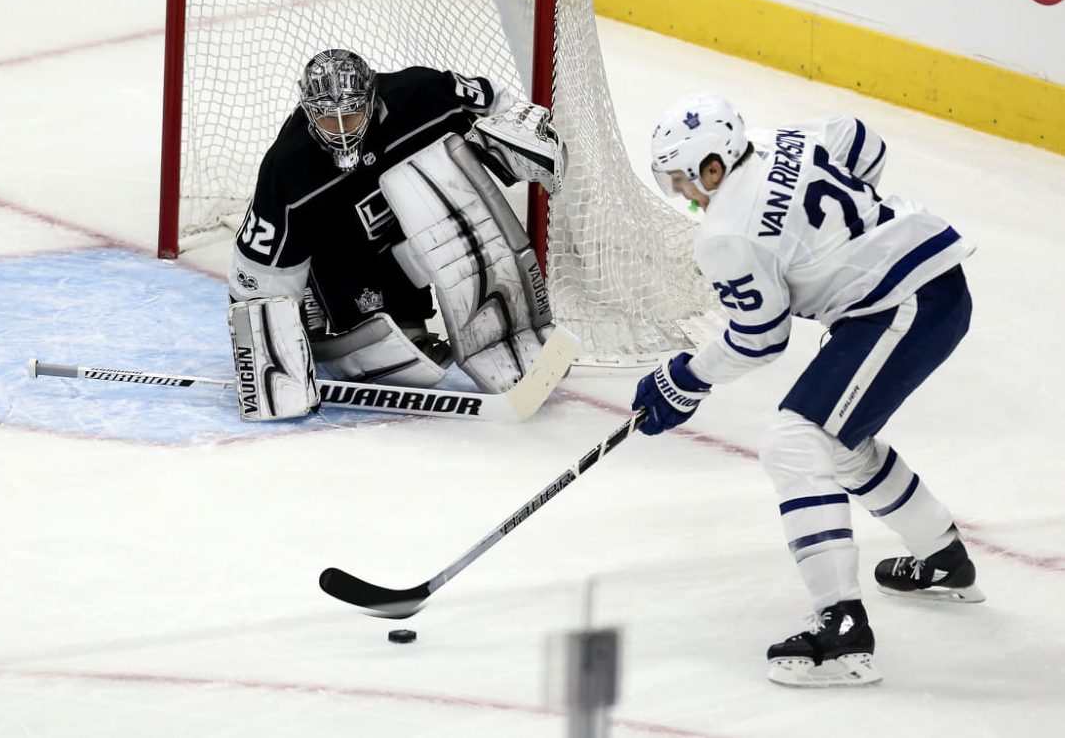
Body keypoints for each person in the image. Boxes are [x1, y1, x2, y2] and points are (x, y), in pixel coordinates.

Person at [633, 93, 984, 687]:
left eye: (681, 180)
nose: (681, 195)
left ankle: (841, 629)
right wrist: (841, 242)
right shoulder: (779, 137)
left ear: (712, 167)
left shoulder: (724, 235)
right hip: (933, 281)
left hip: (901, 305)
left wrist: (686, 379)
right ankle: (945, 560)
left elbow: (760, 338)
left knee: (794, 442)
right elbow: (860, 140)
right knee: (841, 443)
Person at [226, 49, 566, 421]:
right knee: (402, 363)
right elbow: (257, 274)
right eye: (328, 119)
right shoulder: (287, 167)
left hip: (423, 231)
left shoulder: (422, 92)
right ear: (308, 111)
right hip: (345, 257)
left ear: (372, 98)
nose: (342, 130)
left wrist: (517, 137)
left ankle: (517, 333)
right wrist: (268, 358)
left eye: (352, 114)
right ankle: (314, 297)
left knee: (473, 227)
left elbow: (496, 102)